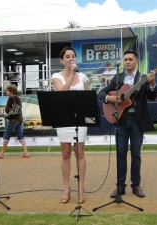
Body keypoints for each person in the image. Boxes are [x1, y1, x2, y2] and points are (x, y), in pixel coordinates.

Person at [98, 49, 157, 198]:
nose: (127, 62)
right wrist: (110, 99)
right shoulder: (118, 78)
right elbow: (101, 93)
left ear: (136, 61)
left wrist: (152, 83)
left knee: (136, 154)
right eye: (125, 59)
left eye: (130, 59)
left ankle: (136, 185)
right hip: (120, 120)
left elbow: (152, 96)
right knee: (121, 154)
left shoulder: (143, 78)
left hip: (137, 121)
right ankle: (120, 187)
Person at [52, 46, 89, 204]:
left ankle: (81, 188)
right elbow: (61, 92)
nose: (71, 59)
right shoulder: (56, 76)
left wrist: (80, 79)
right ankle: (66, 188)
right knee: (65, 152)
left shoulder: (83, 77)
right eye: (67, 57)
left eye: (73, 56)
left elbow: (88, 98)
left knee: (79, 152)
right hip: (63, 118)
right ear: (62, 60)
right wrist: (72, 74)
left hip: (79, 118)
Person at [0, 84, 30, 159]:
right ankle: (26, 152)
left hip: (13, 119)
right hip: (19, 119)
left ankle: (2, 153)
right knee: (20, 136)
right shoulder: (18, 98)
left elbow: (7, 110)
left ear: (11, 91)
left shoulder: (11, 98)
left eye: (7, 90)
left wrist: (7, 110)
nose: (6, 92)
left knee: (6, 135)